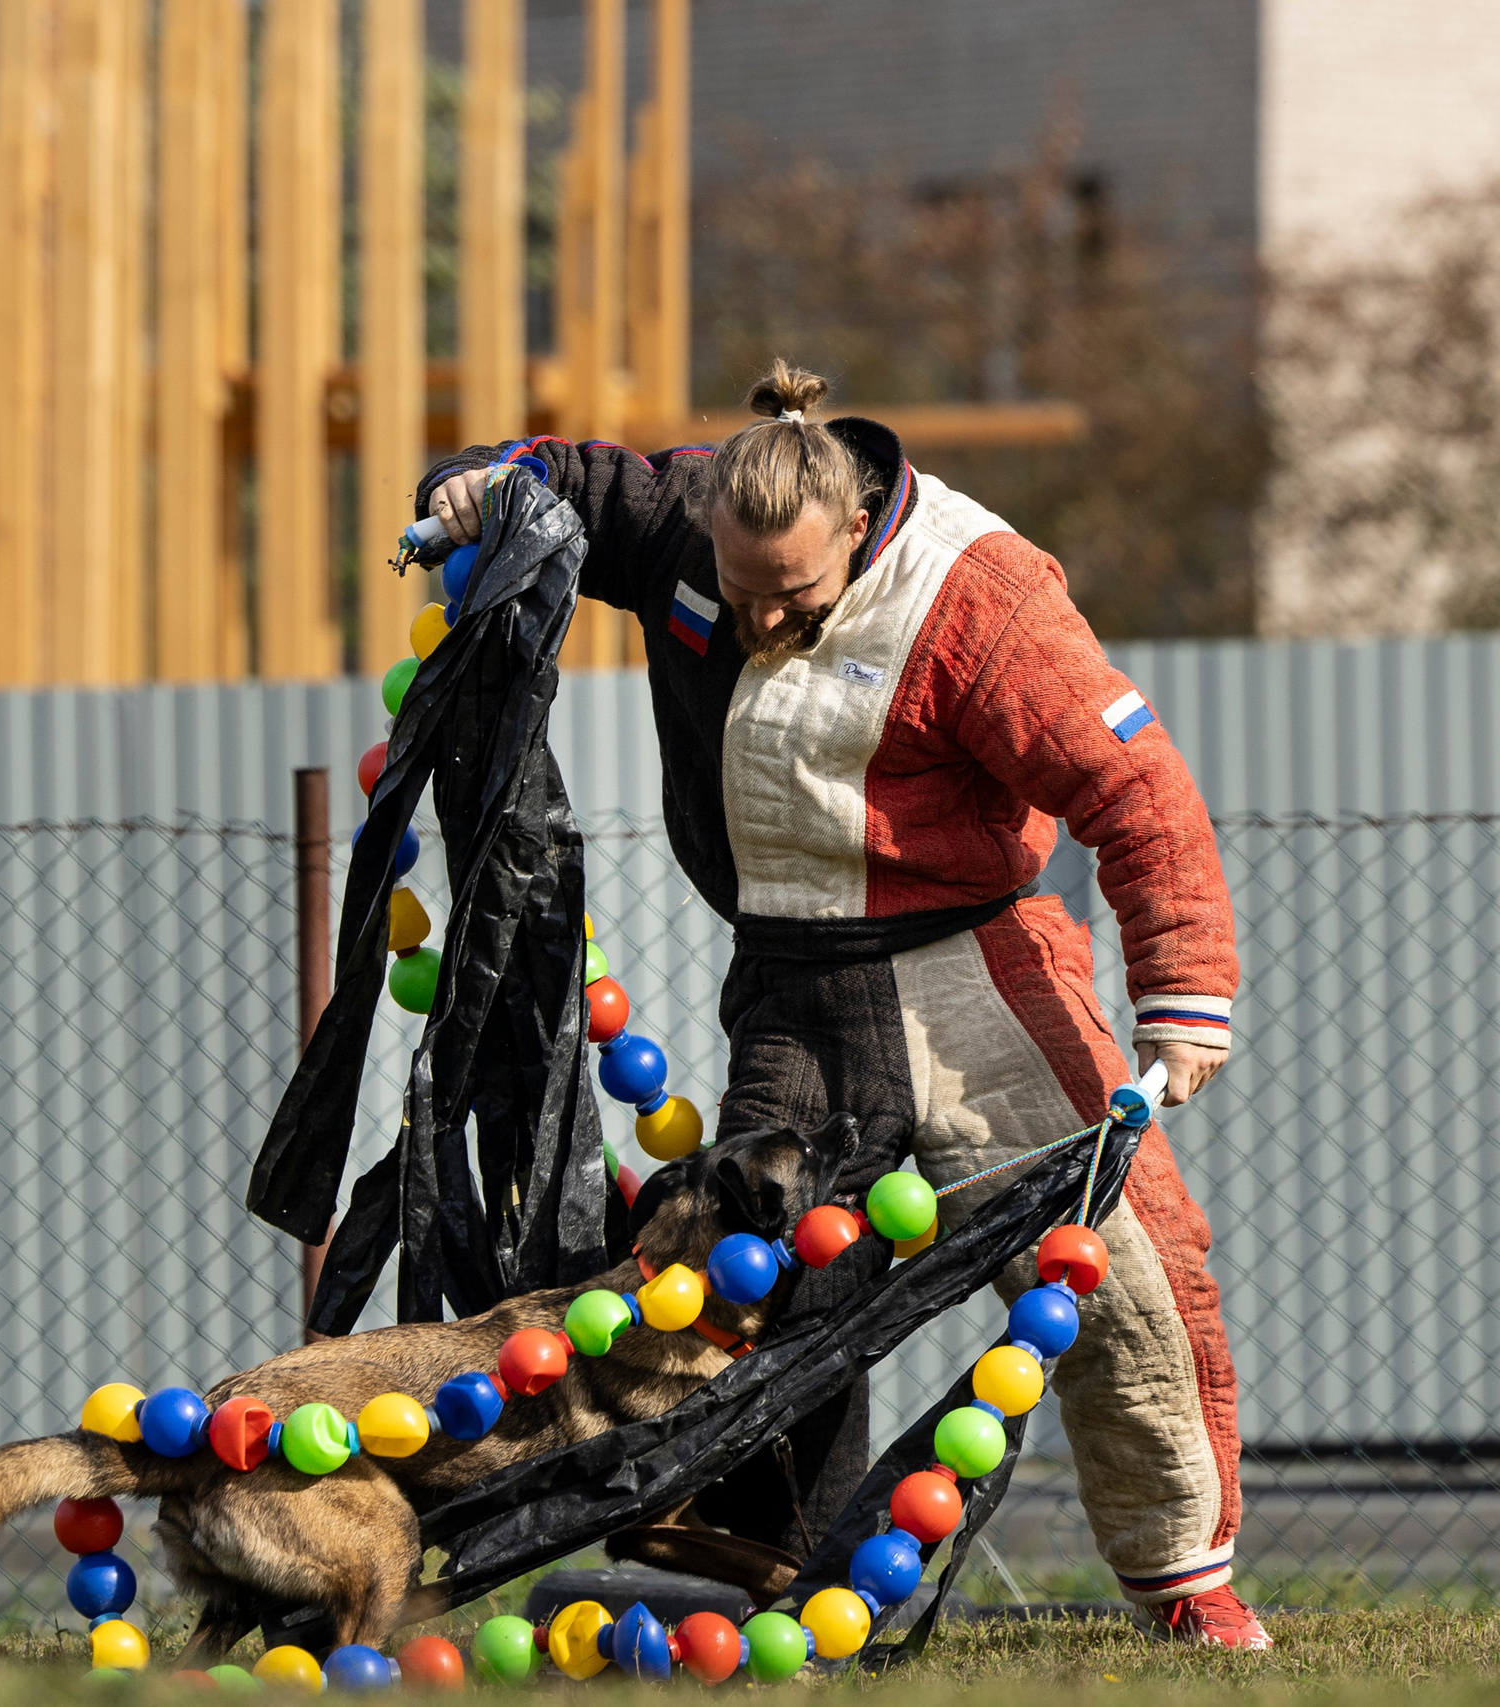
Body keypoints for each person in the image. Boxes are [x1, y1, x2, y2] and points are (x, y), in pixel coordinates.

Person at [415, 361, 1263, 1650]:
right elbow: (561, 478)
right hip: (794, 989)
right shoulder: (686, 521)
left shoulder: (983, 597)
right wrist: (471, 491)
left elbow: (1133, 786)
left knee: (1118, 1270)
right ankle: (754, 1569)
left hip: (981, 970)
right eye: (734, 593)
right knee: (743, 1281)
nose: (754, 621)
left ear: (860, 529)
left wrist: (1184, 989)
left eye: (792, 598)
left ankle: (1185, 1586)